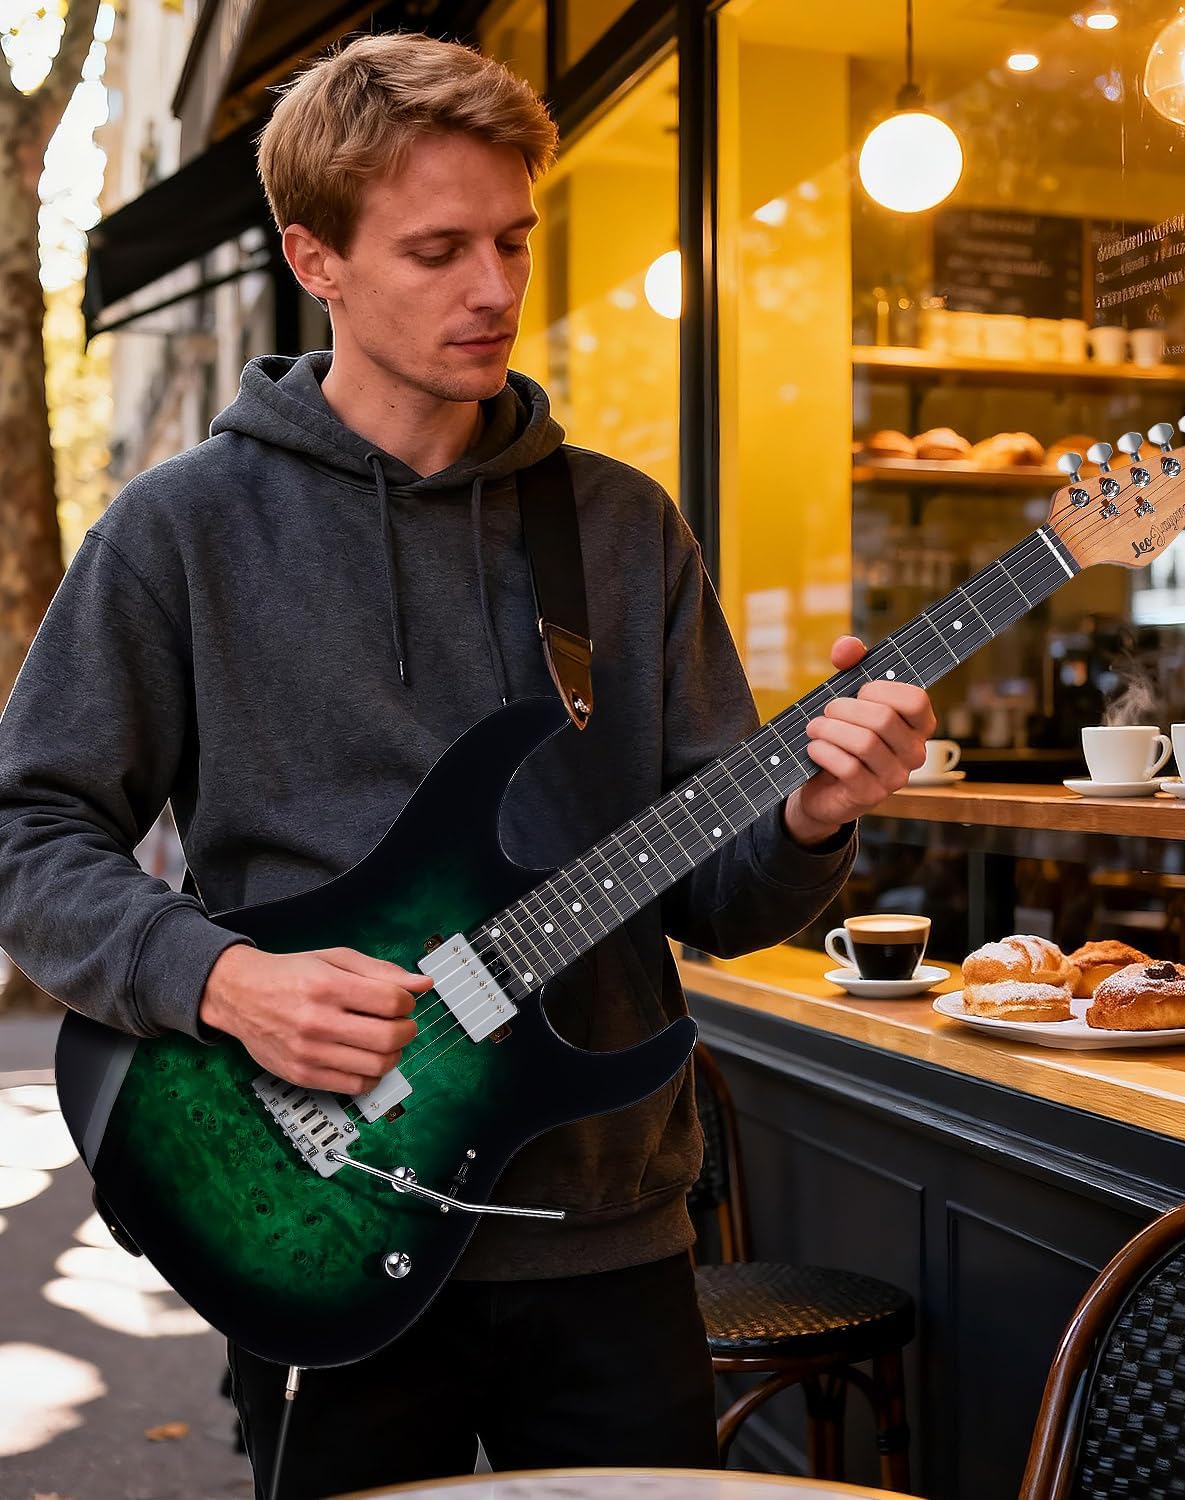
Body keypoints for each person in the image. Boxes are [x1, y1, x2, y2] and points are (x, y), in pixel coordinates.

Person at [0, 30, 934, 1500]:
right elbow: (31, 834)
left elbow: (718, 901)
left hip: (610, 1221)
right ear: (315, 257)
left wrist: (813, 814)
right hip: (314, 1213)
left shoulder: (625, 531)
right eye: (438, 249)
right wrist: (221, 979)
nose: (496, 289)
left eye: (513, 239)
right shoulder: (180, 531)